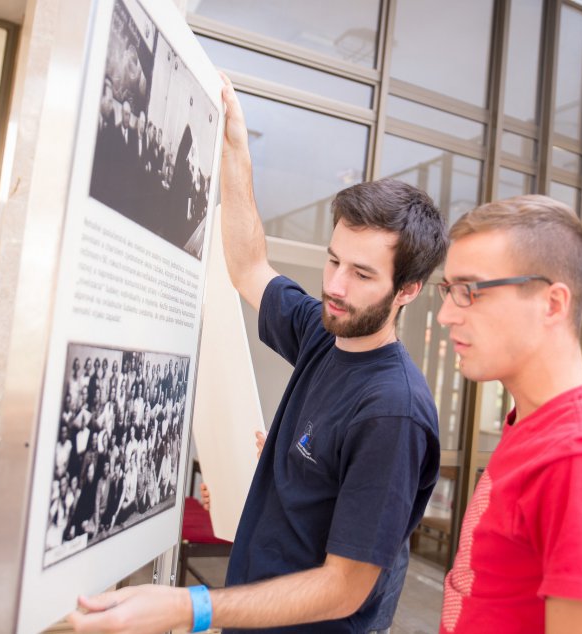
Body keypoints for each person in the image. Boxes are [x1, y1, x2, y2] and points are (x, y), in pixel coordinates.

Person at [69, 73, 446, 633]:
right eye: (334, 260)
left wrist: (190, 607)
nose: (335, 285)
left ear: (408, 290)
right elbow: (248, 267)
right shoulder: (324, 332)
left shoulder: (393, 412)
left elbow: (345, 588)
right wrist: (236, 152)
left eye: (362, 274)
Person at [435, 195, 582, 633]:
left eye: (469, 291)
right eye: (448, 290)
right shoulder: (535, 422)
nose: (445, 315)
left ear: (552, 303)